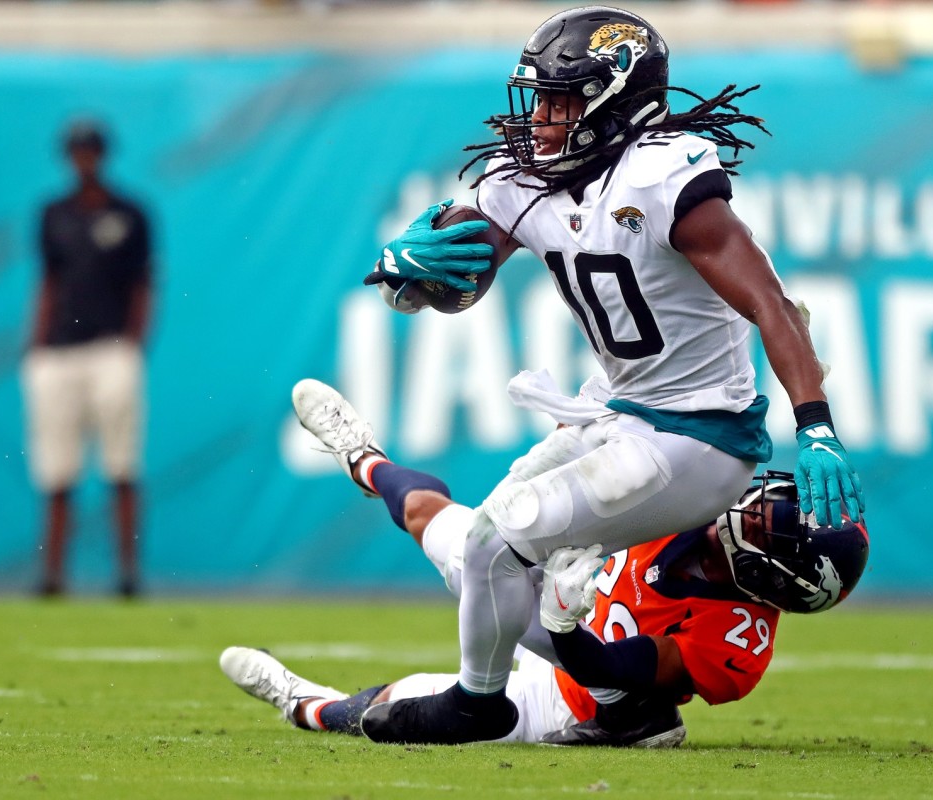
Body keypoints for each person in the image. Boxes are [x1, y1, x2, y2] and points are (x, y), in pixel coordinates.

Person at [357, 5, 866, 743]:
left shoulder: (663, 178)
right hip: (619, 414)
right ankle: (623, 706)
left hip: (700, 441)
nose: (541, 117)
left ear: (614, 101)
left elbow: (771, 304)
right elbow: (463, 272)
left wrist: (814, 425)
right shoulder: (524, 179)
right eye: (539, 98)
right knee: (482, 559)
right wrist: (413, 277)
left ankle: (478, 703)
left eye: (560, 100)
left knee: (497, 540)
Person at [219, 380, 869, 746]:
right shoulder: (702, 496)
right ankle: (364, 459)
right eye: (772, 501)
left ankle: (306, 704)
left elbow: (614, 668)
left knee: (386, 712)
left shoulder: (735, 645)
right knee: (432, 517)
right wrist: (581, 438)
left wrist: (561, 624)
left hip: (577, 696)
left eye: (766, 523)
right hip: (557, 581)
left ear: (771, 574)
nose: (754, 505)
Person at [22, 119, 154, 598]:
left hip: (111, 349)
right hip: (58, 353)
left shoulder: (130, 213)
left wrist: (135, 342)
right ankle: (53, 575)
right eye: (77, 150)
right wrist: (35, 343)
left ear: (103, 154)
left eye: (90, 150)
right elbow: (48, 281)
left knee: (122, 467)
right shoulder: (54, 213)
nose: (84, 159)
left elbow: (144, 283)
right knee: (57, 471)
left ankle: (128, 573)